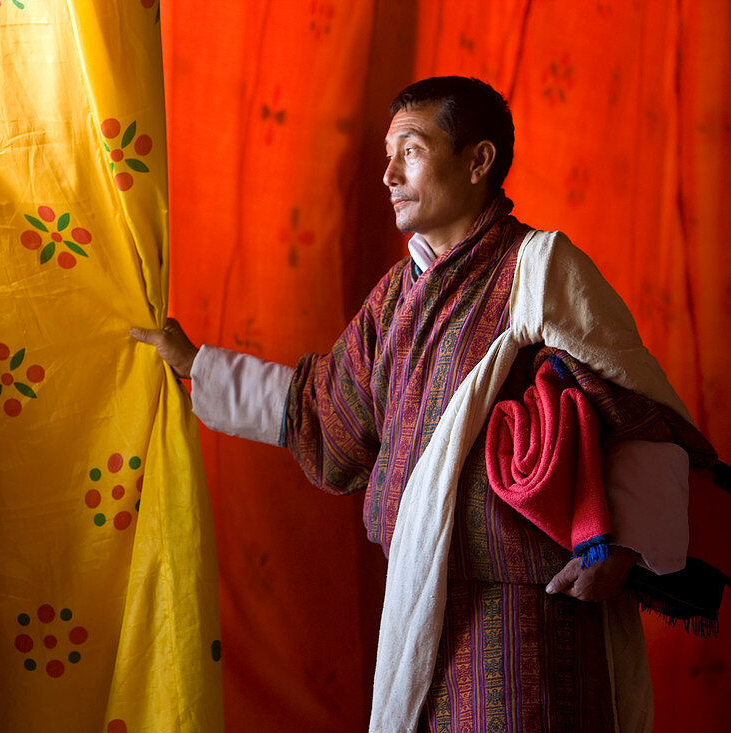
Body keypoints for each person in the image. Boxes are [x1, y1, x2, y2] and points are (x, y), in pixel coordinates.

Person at [132, 76, 719, 732]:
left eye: (409, 151)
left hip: (529, 622)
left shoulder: (540, 268)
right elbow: (326, 410)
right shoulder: (395, 296)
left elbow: (641, 411)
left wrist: (621, 555)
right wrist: (197, 366)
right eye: (388, 154)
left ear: (478, 161)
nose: (387, 175)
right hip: (421, 610)